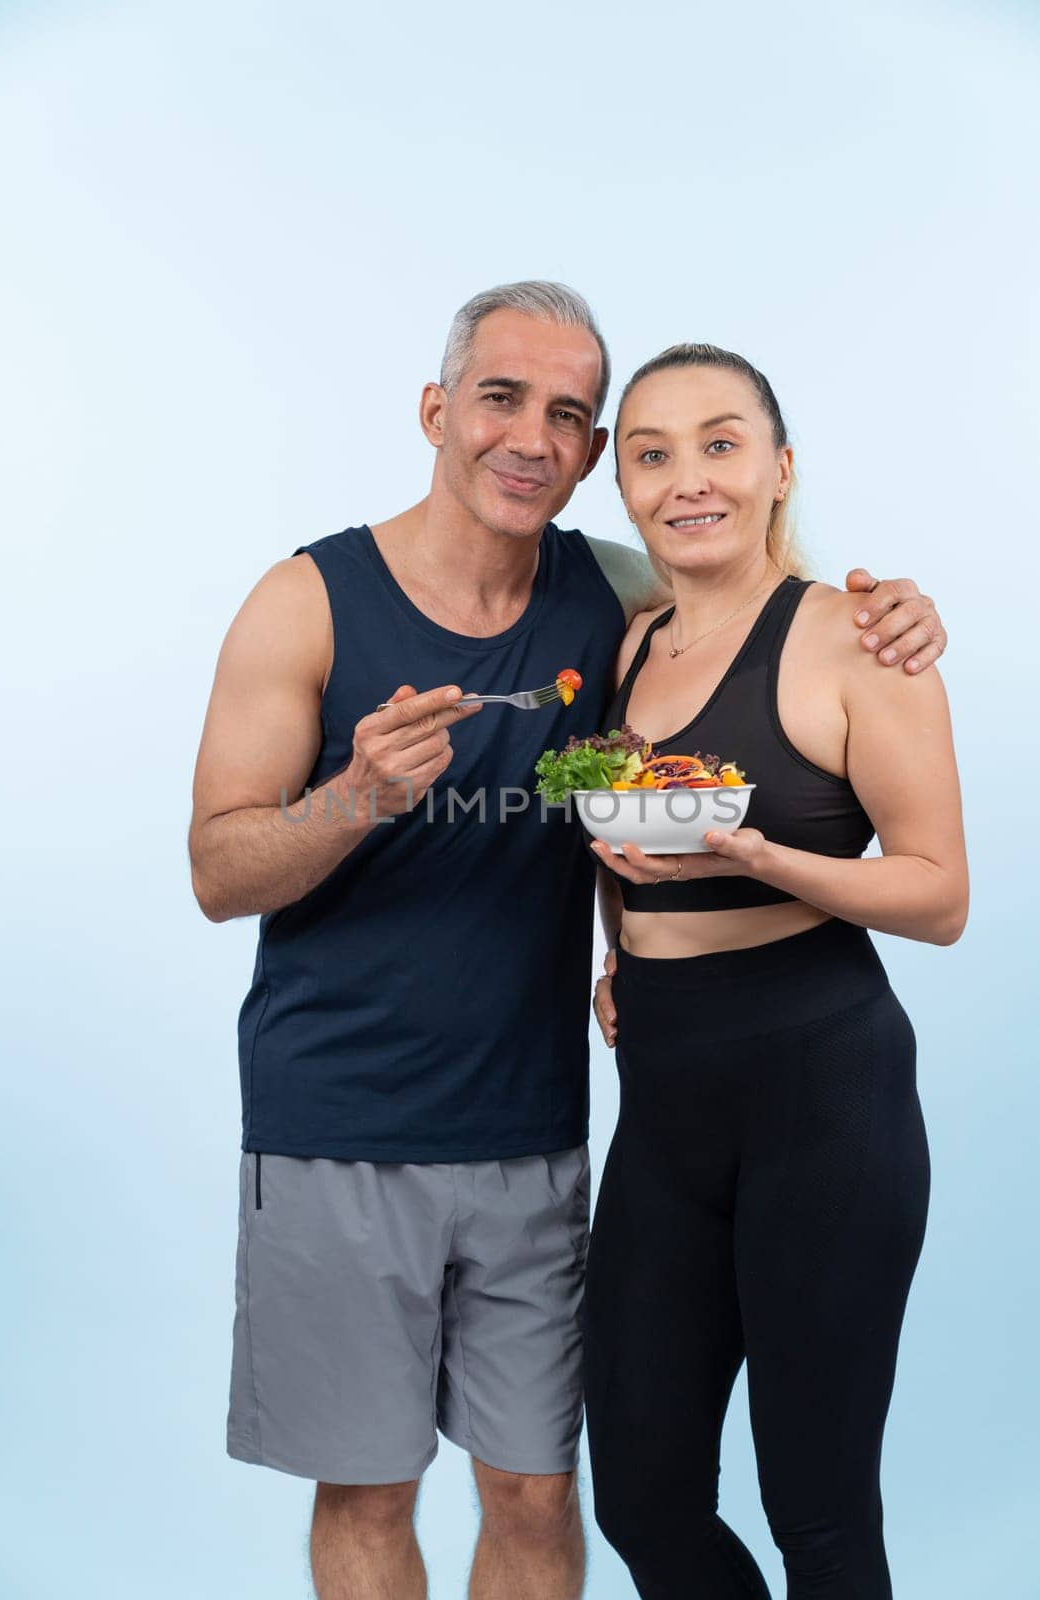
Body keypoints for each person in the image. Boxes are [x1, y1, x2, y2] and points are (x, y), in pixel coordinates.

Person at [188, 283, 948, 1600]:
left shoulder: (609, 596)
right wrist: (360, 793)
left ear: (589, 453)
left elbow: (749, 592)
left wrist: (899, 612)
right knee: (383, 1492)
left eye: (569, 417)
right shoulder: (305, 601)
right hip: (336, 1123)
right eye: (498, 397)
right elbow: (215, 871)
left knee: (545, 1495)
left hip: (542, 1132)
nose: (531, 437)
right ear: (436, 409)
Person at [584, 341, 967, 1599]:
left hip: (822, 1090)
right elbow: (612, 825)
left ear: (778, 467)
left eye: (719, 441)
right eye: (650, 453)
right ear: (621, 485)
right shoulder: (628, 642)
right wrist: (618, 943)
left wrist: (759, 857)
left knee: (818, 1515)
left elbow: (937, 892)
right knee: (641, 1496)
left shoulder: (857, 636)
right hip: (666, 1098)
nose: (685, 477)